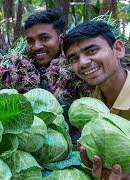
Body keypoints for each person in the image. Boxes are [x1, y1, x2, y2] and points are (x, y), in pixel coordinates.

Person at [63, 21, 130, 179]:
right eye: (74, 59)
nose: (83, 62)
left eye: (91, 50)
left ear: (118, 49)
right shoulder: (89, 107)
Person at [24, 9, 85, 142]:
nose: (36, 46)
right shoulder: (21, 72)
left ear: (61, 38)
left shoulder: (78, 71)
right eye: (30, 41)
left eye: (44, 38)